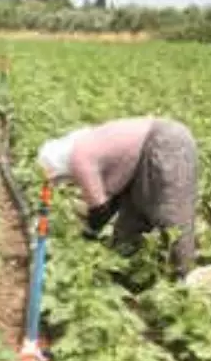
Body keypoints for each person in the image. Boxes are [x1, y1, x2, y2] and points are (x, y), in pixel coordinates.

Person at [37, 116, 198, 277]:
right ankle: (130, 278)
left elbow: (100, 209)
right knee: (127, 232)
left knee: (172, 220)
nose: (67, 183)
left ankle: (185, 284)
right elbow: (111, 199)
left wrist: (88, 234)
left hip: (166, 145)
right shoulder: (81, 145)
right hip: (139, 161)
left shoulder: (78, 159)